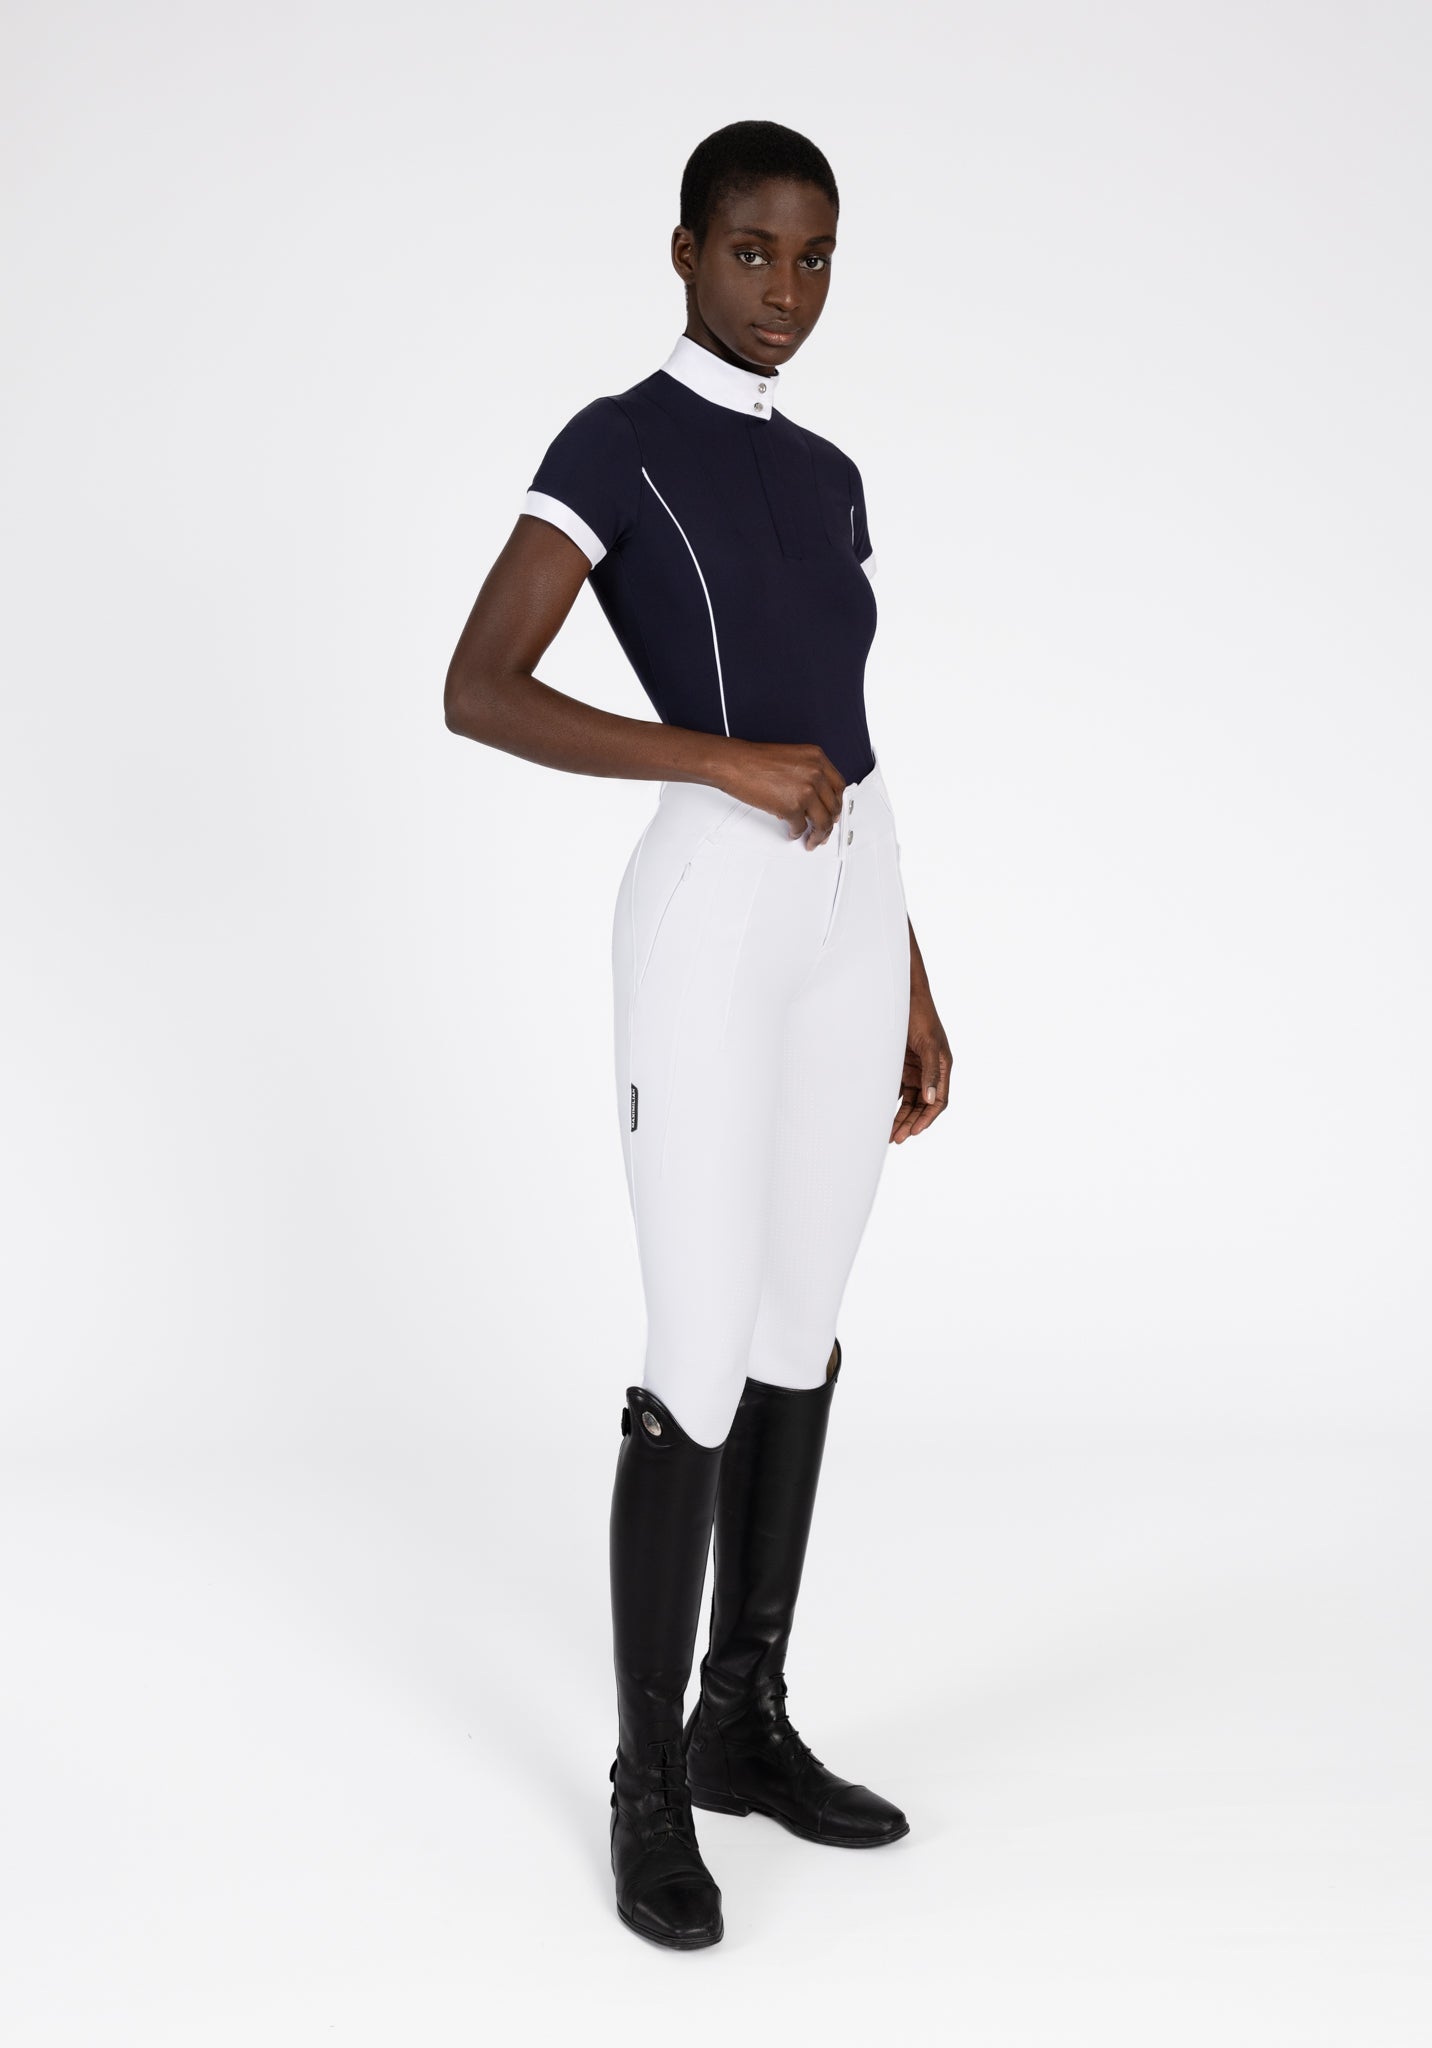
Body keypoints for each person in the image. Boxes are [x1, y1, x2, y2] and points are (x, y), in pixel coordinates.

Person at [444, 118, 952, 1950]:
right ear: (682, 251)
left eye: (814, 259)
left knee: (801, 1330)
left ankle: (746, 1722)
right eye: (752, 252)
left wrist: (910, 971)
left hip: (850, 906)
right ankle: (647, 1784)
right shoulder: (616, 445)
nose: (785, 290)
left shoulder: (830, 474)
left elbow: (847, 734)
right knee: (698, 1351)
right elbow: (477, 688)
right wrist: (715, 762)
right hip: (712, 916)